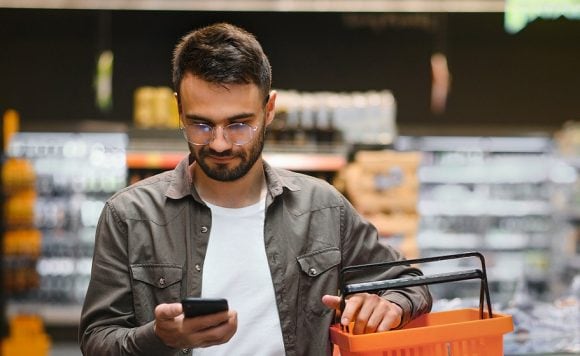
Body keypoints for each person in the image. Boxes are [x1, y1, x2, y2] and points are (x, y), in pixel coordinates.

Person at [79, 22, 432, 356]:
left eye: (239, 125)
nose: (219, 144)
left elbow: (408, 282)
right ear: (179, 110)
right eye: (200, 125)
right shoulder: (129, 215)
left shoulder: (322, 208)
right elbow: (97, 339)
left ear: (269, 110)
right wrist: (157, 337)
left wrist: (388, 305)